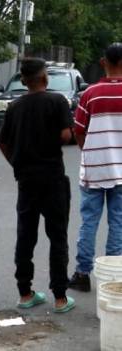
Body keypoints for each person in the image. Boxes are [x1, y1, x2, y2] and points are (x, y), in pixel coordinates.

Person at [0, 58, 75, 313]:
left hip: (26, 180)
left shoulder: (14, 107)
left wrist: (18, 164)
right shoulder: (57, 102)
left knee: (26, 236)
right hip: (52, 177)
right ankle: (61, 298)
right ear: (45, 78)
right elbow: (65, 135)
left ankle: (25, 293)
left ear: (23, 81)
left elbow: (3, 142)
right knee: (58, 237)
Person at [68, 43, 122, 292]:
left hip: (94, 170)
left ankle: (82, 273)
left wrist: (89, 152)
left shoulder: (90, 94)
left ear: (103, 62)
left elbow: (78, 131)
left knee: (89, 222)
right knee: (118, 223)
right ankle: (112, 277)